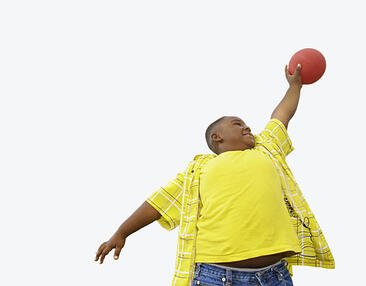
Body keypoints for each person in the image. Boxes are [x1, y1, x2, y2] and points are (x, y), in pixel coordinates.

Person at [95, 64, 335, 286]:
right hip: (217, 277)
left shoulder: (267, 148)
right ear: (216, 137)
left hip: (275, 275)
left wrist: (295, 86)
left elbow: (281, 115)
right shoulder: (198, 171)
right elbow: (158, 203)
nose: (247, 127)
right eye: (237, 123)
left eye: (246, 124)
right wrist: (121, 232)